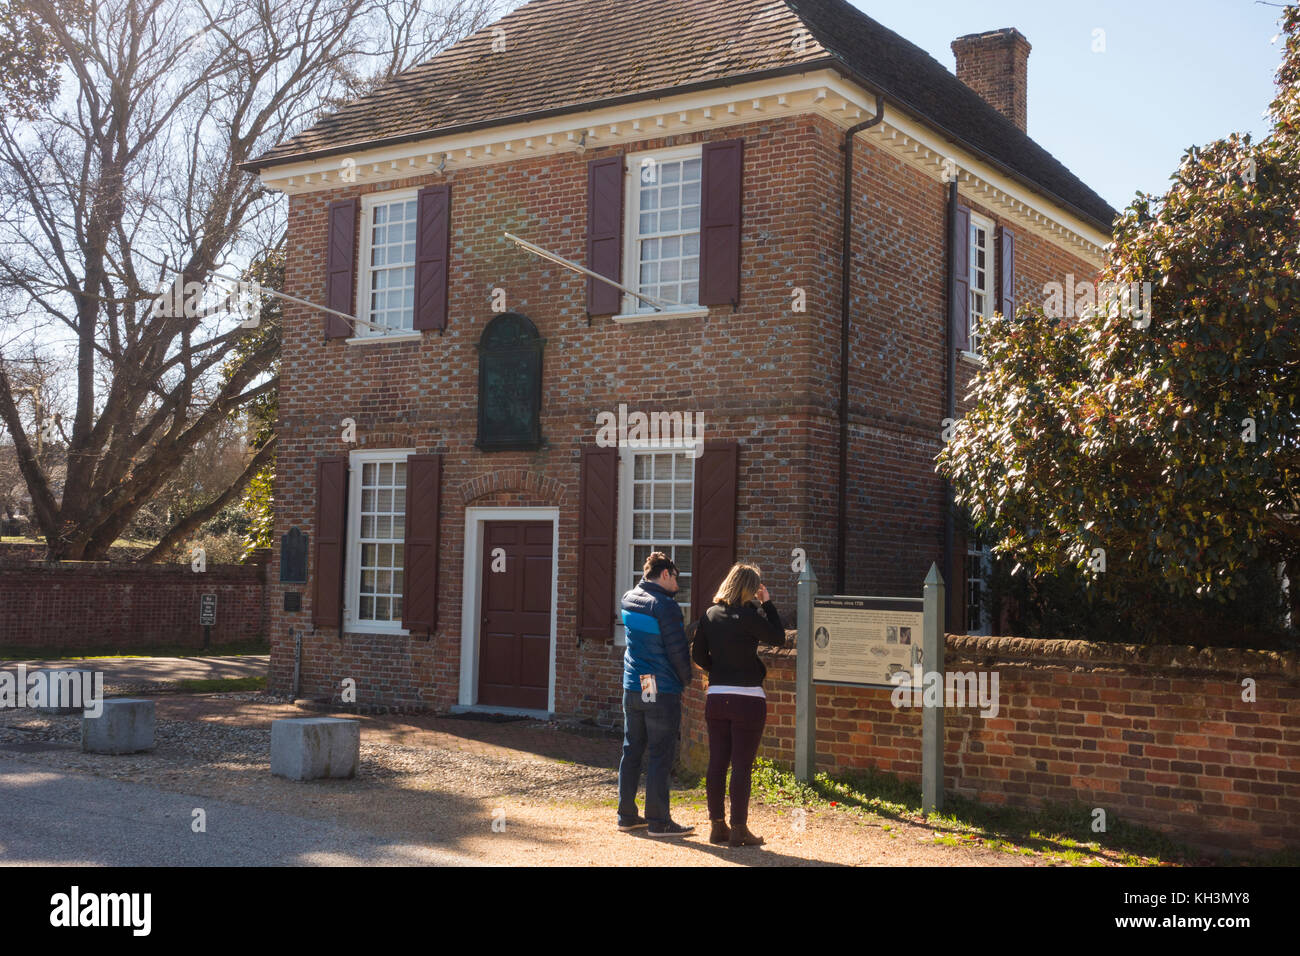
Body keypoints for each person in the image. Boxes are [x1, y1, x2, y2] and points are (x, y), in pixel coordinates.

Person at [691, 563, 786, 847]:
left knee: (717, 762)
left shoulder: (710, 614)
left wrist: (718, 670)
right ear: (750, 589)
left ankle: (717, 825)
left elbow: (698, 654)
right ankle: (739, 829)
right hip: (748, 698)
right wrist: (767, 604)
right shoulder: (748, 616)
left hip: (717, 696)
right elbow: (779, 638)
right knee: (742, 765)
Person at [616, 552, 695, 837]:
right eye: (675, 577)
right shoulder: (665, 607)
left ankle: (626, 816)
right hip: (659, 689)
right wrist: (687, 678)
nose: (678, 582)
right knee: (661, 754)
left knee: (632, 750)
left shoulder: (628, 599)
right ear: (664, 575)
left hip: (634, 686)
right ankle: (658, 821)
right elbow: (676, 650)